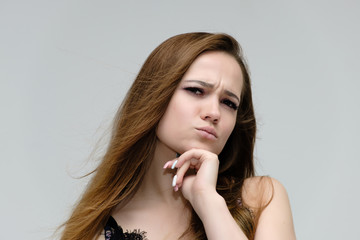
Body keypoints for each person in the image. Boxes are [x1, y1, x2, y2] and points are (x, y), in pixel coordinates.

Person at [60, 32, 296, 240]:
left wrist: (207, 201)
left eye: (228, 103)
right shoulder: (96, 232)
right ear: (155, 95)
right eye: (196, 90)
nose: (214, 113)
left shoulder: (261, 198)